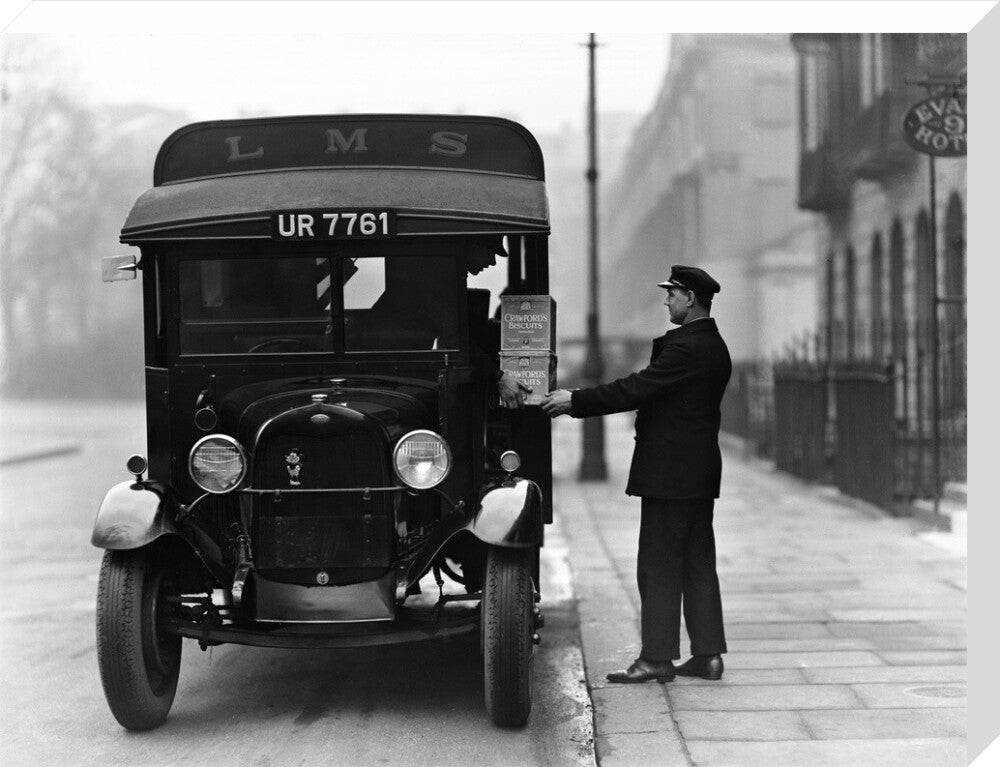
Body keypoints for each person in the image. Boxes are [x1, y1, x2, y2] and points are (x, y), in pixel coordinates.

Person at [541, 265, 731, 683]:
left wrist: (575, 401)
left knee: (659, 565)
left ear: (691, 299)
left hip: (671, 473)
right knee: (698, 561)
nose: (666, 300)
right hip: (697, 472)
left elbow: (635, 388)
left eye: (673, 294)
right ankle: (708, 654)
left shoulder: (687, 348)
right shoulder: (713, 345)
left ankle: (657, 658)